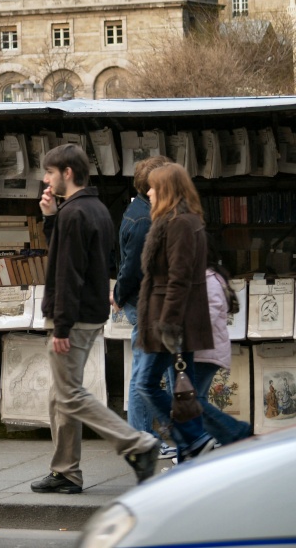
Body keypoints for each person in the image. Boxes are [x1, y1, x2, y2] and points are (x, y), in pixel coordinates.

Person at [31, 143, 159, 495]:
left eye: (50, 172)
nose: (46, 179)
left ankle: (136, 443)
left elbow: (68, 272)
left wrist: (60, 325)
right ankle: (65, 471)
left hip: (72, 318)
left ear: (67, 173)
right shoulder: (94, 208)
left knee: (68, 394)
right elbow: (70, 256)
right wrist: (50, 217)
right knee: (60, 396)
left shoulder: (75, 214)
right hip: (87, 314)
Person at [136, 163, 216, 462]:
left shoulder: (180, 223)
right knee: (185, 390)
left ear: (168, 190)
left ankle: (195, 439)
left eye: (154, 187)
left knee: (146, 383)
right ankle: (190, 453)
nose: (149, 192)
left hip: (170, 321)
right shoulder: (183, 221)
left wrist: (168, 325)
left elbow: (178, 278)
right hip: (176, 318)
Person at [111, 156, 176, 460]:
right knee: (144, 373)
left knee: (158, 369)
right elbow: (132, 267)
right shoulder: (143, 219)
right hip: (145, 302)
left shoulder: (144, 212)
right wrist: (120, 294)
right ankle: (142, 439)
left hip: (149, 300)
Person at [193, 240, 252, 445]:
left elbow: (205, 317)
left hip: (205, 352)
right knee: (192, 401)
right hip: (203, 350)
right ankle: (202, 443)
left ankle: (235, 432)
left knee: (191, 401)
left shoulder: (208, 280)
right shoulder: (208, 278)